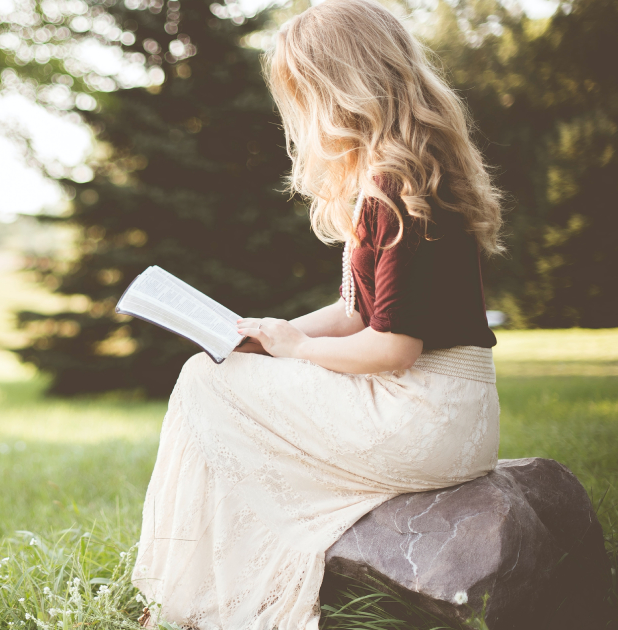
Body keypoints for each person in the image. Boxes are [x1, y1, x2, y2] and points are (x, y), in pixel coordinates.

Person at [130, 1, 505, 628]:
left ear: (338, 89)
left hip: (421, 414)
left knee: (204, 381)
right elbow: (357, 312)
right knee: (220, 372)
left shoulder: (389, 187)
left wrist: (294, 350)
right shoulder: (415, 172)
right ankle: (203, 592)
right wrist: (270, 333)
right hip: (454, 412)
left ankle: (191, 600)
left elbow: (392, 349)